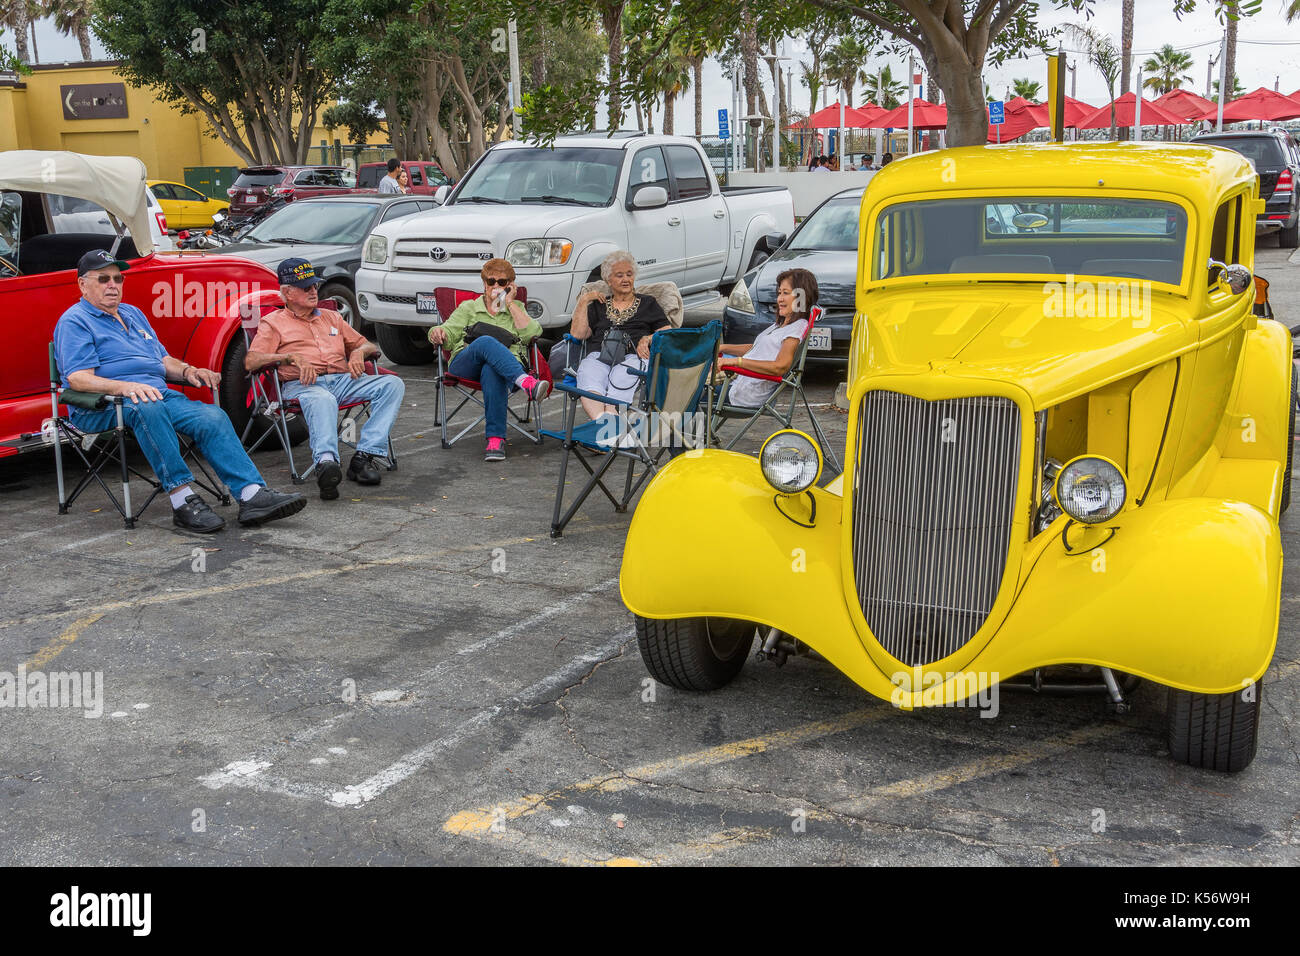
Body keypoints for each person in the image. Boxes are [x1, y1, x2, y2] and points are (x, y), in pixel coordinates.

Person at [53, 249, 307, 532]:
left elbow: (162, 361)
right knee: (148, 407)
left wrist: (189, 371)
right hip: (103, 404)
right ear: (82, 285)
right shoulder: (75, 321)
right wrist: (126, 387)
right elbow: (78, 379)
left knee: (211, 416)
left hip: (154, 395)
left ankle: (251, 495)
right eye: (103, 279)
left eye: (118, 278)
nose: (113, 285)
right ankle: (182, 499)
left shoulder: (132, 313)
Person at [245, 258, 405, 500]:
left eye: (314, 286)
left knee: (392, 384)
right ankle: (326, 464)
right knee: (322, 398)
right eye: (306, 287)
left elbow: (367, 345)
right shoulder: (273, 322)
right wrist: (290, 357)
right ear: (287, 293)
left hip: (342, 380)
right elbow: (251, 361)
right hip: (303, 385)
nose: (313, 291)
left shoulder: (332, 317)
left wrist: (358, 354)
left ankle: (364, 457)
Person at [427, 258, 550, 462]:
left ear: (511, 284)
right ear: (484, 283)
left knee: (492, 370)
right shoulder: (469, 308)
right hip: (466, 364)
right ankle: (527, 383)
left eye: (502, 282)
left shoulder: (516, 307)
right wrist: (438, 332)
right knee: (485, 341)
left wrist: (509, 302)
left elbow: (532, 334)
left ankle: (495, 439)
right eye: (491, 281)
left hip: (505, 368)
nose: (495, 286)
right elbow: (448, 330)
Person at [566, 251, 671, 430]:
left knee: (622, 377)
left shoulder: (647, 303)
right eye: (619, 275)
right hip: (599, 354)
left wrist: (647, 338)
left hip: (633, 356)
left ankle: (604, 432)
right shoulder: (599, 305)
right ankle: (606, 429)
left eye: (629, 274)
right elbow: (577, 334)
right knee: (589, 375)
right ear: (608, 280)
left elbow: (667, 331)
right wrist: (584, 301)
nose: (625, 279)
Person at [716, 267, 818, 408]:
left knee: (687, 394)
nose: (779, 299)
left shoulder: (797, 327)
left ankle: (688, 428)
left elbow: (780, 367)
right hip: (738, 383)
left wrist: (735, 362)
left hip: (743, 393)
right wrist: (722, 347)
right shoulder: (782, 325)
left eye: (786, 293)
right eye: (779, 293)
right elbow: (756, 349)